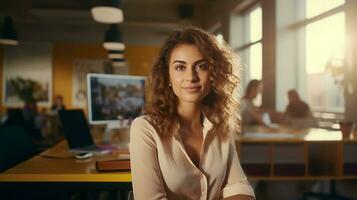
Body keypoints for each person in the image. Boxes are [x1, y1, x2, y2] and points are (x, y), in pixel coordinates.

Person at [130, 27, 255, 200]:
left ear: (213, 73)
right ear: (168, 76)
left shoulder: (221, 126)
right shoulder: (145, 128)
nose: (191, 77)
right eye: (180, 67)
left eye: (201, 66)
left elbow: (238, 186)